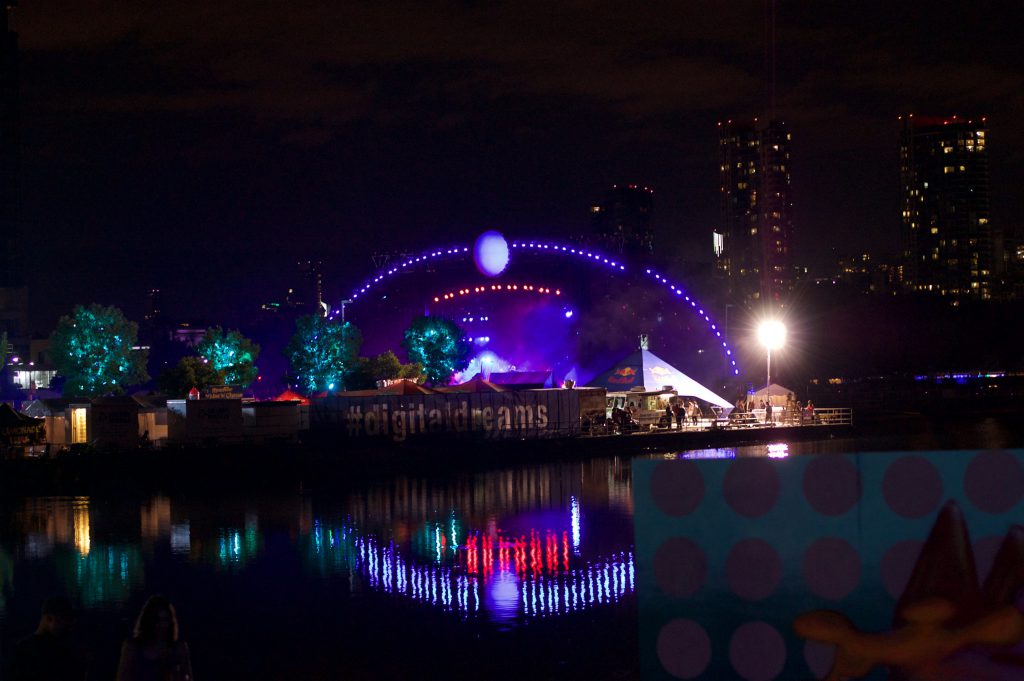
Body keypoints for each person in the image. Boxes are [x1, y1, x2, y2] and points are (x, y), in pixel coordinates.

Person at [10, 595, 88, 681]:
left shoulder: (22, 649)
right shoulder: (60, 652)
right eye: (66, 619)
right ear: (49, 618)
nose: (70, 626)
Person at [117, 595, 193, 681]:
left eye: (165, 620)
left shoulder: (178, 649)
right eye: (156, 620)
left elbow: (187, 677)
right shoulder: (132, 648)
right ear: (148, 621)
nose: (161, 626)